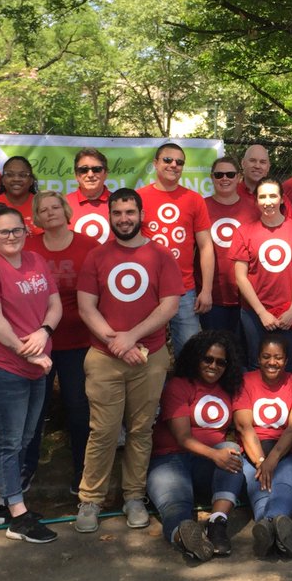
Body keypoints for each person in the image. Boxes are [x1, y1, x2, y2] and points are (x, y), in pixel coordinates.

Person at [76, 188, 183, 533]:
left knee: (140, 430)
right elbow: (86, 306)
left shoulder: (161, 256)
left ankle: (134, 497)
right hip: (104, 357)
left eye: (129, 212)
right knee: (103, 431)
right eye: (118, 213)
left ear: (140, 215)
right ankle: (90, 499)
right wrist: (117, 343)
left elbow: (169, 306)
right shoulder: (96, 257)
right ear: (110, 216)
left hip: (149, 357)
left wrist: (132, 337)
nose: (124, 218)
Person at [0, 205, 61, 544]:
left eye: (16, 230)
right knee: (8, 442)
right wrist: (30, 353)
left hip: (38, 363)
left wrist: (44, 332)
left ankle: (8, 503)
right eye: (3, 231)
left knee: (24, 438)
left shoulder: (35, 260)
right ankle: (18, 517)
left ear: (26, 231)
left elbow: (55, 302)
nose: (11, 236)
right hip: (2, 367)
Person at [19, 190, 99, 496]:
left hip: (79, 341)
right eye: (43, 209)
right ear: (36, 217)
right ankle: (25, 472)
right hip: (38, 343)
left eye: (56, 207)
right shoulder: (28, 247)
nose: (50, 212)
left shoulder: (89, 246)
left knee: (79, 409)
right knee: (33, 411)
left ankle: (82, 473)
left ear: (67, 211)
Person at [146, 331, 245, 561]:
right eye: (208, 359)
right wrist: (215, 454)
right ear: (196, 358)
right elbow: (182, 438)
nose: (214, 366)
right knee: (176, 506)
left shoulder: (229, 389)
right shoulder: (178, 386)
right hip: (170, 460)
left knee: (231, 449)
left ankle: (217, 524)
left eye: (221, 362)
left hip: (205, 465)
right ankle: (185, 537)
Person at [234, 334, 292, 559]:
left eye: (278, 358)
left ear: (286, 360)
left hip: (286, 451)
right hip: (251, 452)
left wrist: (272, 459)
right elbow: (244, 426)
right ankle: (276, 526)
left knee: (285, 481)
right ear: (258, 358)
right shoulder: (245, 381)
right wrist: (260, 461)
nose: (272, 362)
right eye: (266, 356)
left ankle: (267, 523)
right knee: (259, 484)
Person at [231, 176, 292, 370]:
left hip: (287, 311)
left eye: (272, 196)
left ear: (282, 198)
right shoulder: (245, 231)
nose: (267, 202)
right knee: (256, 362)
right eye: (262, 197)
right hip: (254, 312)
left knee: (286, 364)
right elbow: (240, 277)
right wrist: (261, 312)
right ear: (256, 200)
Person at [138, 141, 214, 354]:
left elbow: (206, 246)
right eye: (167, 160)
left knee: (190, 352)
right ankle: (155, 388)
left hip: (184, 289)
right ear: (155, 163)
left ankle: (185, 388)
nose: (173, 165)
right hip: (148, 288)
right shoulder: (139, 198)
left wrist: (206, 289)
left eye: (179, 162)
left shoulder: (194, 200)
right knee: (147, 351)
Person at [201, 155, 260, 339]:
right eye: (219, 175)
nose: (224, 179)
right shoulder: (202, 206)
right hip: (213, 296)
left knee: (243, 353)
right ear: (212, 177)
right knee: (214, 350)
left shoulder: (254, 208)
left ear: (239, 178)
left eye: (230, 174)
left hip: (246, 297)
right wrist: (204, 291)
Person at [0, 155, 41, 236]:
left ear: (31, 181)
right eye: (10, 175)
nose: (16, 179)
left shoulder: (43, 205)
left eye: (22, 175)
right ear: (3, 180)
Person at [66, 147, 112, 243]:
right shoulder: (63, 204)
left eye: (96, 169)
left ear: (106, 173)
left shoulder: (118, 203)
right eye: (83, 170)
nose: (90, 174)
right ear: (76, 175)